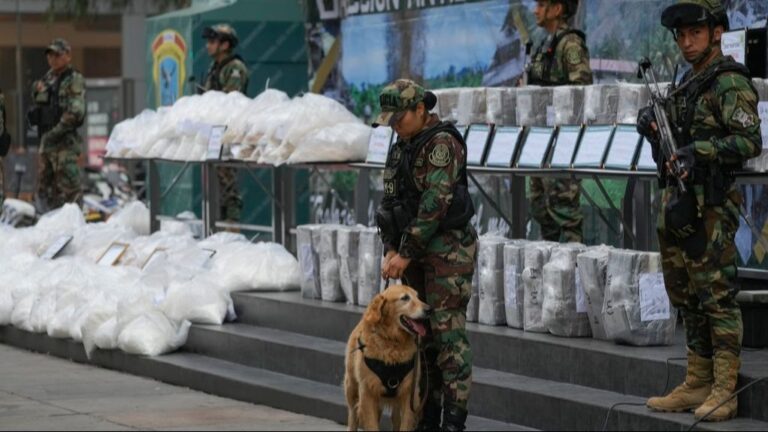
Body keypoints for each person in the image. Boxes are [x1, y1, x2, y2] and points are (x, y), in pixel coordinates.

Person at [636, 0, 762, 422]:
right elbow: (672, 149)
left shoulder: (728, 82)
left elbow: (749, 142)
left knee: (716, 297)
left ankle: (725, 388)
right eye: (681, 35)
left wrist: (700, 152)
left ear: (715, 32)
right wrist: (654, 130)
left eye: (695, 33)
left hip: (711, 206)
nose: (687, 42)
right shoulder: (686, 84)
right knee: (686, 296)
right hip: (678, 204)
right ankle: (697, 382)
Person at [375, 79, 477, 432]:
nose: (394, 126)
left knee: (448, 337)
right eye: (389, 120)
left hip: (448, 253)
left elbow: (435, 204)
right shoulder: (401, 145)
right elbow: (389, 200)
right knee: (423, 338)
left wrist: (404, 253)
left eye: (399, 118)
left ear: (421, 110)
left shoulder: (442, 144)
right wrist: (390, 246)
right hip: (412, 252)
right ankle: (427, 416)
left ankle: (453, 421)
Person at [526, 0, 592, 243]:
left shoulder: (570, 43)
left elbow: (582, 89)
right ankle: (553, 268)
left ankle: (572, 267)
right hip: (542, 136)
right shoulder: (545, 43)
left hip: (562, 139)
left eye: (542, 4)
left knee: (563, 208)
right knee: (540, 205)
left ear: (557, 9)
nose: (536, 10)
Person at [30, 38, 85, 211]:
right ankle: (46, 225)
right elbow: (39, 100)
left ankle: (73, 228)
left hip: (64, 144)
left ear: (68, 56)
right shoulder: (47, 78)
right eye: (50, 55)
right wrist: (35, 90)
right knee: (44, 190)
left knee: (69, 190)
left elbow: (76, 112)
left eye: (57, 55)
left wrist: (55, 132)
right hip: (47, 143)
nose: (52, 59)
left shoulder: (74, 79)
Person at [202, 23, 248, 223]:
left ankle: (232, 229)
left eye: (213, 42)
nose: (208, 46)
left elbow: (231, 101)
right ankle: (218, 231)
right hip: (214, 133)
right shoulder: (215, 68)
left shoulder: (235, 68)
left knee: (228, 186)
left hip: (229, 133)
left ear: (225, 45)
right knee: (214, 186)